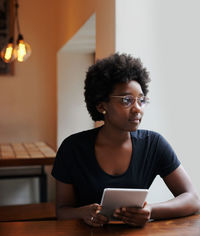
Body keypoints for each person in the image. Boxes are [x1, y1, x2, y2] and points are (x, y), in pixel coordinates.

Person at [52, 53, 200, 227]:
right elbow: (62, 211)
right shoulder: (72, 148)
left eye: (141, 100)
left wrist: (150, 210)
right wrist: (83, 213)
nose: (137, 109)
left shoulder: (153, 144)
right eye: (127, 100)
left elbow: (192, 199)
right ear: (101, 106)